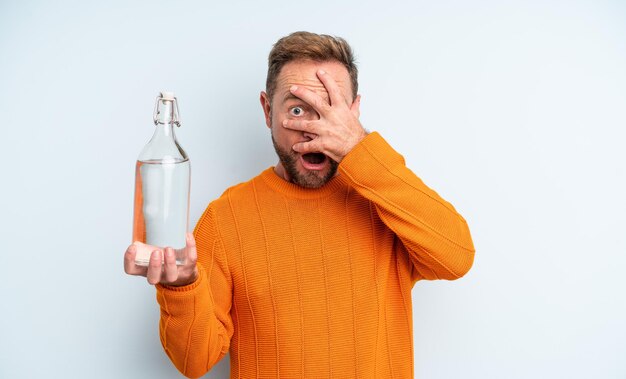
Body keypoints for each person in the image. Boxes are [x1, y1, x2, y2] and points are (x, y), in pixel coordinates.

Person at [124, 31, 475, 378]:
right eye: (296, 109)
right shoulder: (226, 217)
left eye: (331, 110)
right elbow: (194, 362)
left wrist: (360, 148)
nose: (312, 131)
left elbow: (456, 257)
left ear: (354, 113)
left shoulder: (385, 200)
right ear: (266, 110)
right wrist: (180, 288)